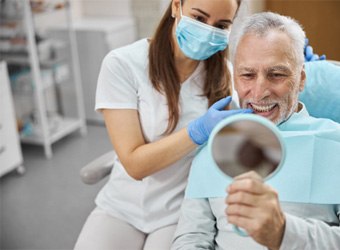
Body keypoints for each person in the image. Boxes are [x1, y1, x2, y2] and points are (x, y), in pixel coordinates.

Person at [74, 0, 253, 249]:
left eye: (221, 25)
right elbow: (135, 165)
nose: (208, 31)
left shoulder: (226, 76)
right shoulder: (123, 64)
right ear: (176, 6)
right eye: (199, 19)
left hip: (180, 212)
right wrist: (197, 131)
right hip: (121, 207)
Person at [171, 12, 340, 249]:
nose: (259, 92)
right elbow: (191, 237)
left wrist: (283, 232)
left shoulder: (336, 145)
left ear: (301, 79)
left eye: (276, 74)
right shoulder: (213, 147)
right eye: (247, 75)